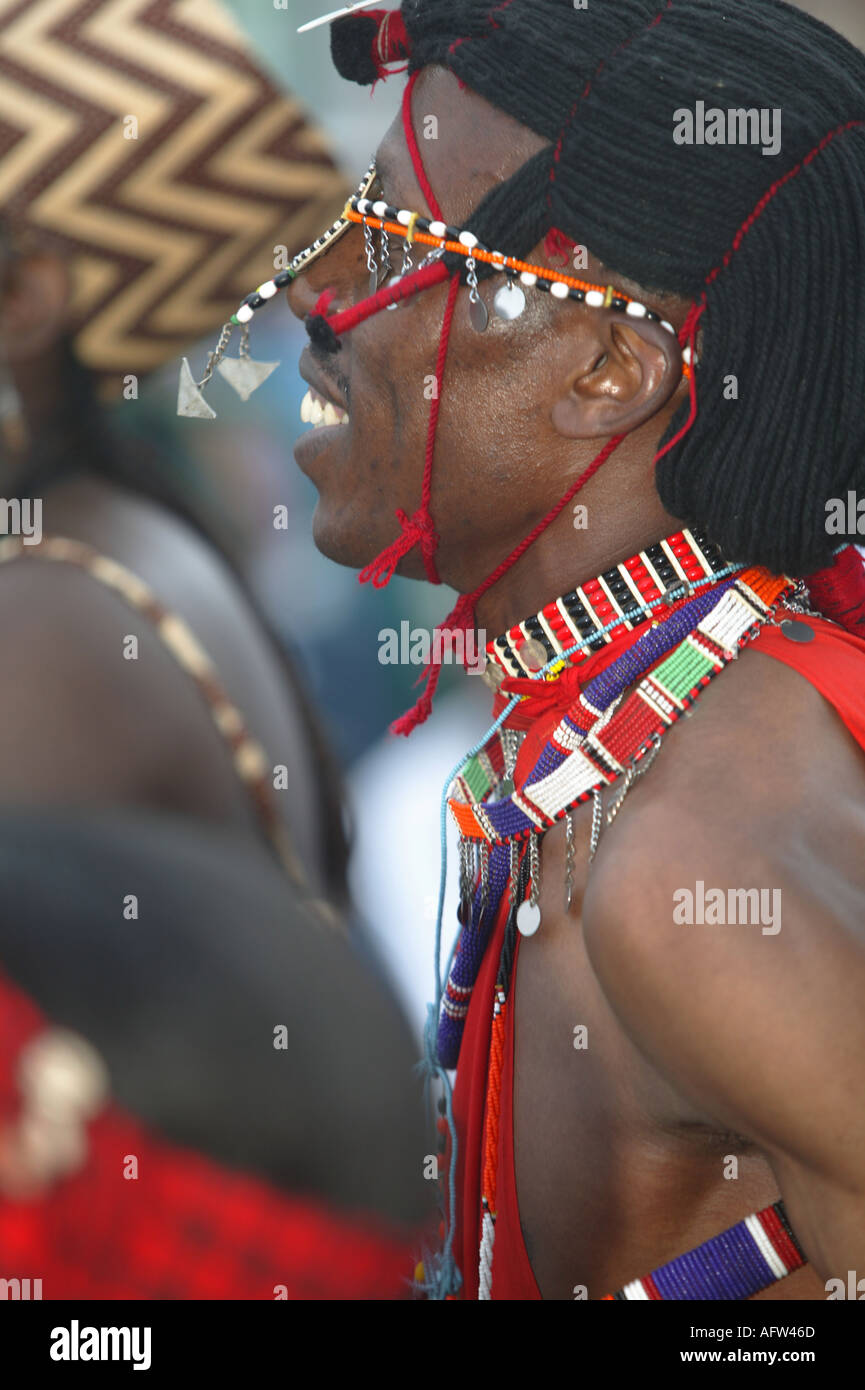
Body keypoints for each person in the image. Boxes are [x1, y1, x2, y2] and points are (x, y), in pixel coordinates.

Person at [240, 0, 865, 1300]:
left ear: (603, 369)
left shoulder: (695, 876)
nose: (320, 299)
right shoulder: (615, 742)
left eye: (390, 237)